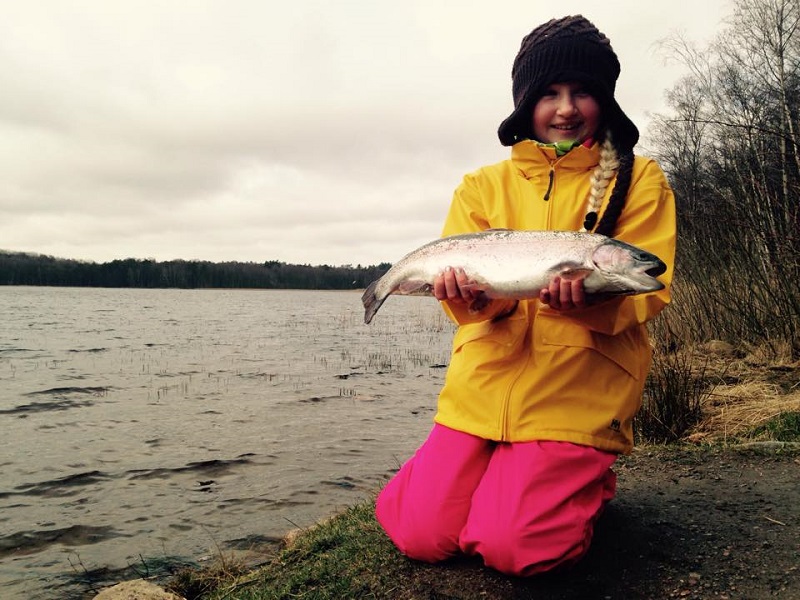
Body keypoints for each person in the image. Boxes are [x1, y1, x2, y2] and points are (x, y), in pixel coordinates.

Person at [375, 14, 676, 577]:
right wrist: (467, 297)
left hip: (574, 396)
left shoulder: (641, 181)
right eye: (549, 92)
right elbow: (467, 312)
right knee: (418, 533)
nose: (565, 107)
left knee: (517, 548)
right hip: (481, 392)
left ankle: (584, 484)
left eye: (581, 91)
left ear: (605, 100)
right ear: (524, 102)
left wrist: (591, 301)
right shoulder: (480, 187)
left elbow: (649, 292)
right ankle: (509, 485)